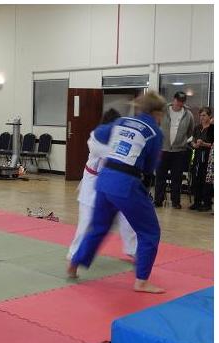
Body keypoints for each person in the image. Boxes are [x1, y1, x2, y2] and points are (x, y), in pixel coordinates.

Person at [68, 91, 167, 294]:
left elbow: (98, 134)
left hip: (104, 181)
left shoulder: (121, 122)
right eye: (162, 114)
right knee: (150, 231)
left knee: (99, 226)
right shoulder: (155, 132)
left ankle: (75, 263)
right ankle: (141, 281)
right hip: (126, 184)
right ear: (157, 113)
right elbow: (149, 168)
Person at [67, 109, 136, 260]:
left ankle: (133, 249)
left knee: (126, 216)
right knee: (86, 220)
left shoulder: (118, 139)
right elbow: (113, 154)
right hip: (92, 182)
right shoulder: (95, 137)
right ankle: (74, 253)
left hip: (112, 182)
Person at [154, 91, 195, 209]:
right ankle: (158, 200)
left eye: (182, 101)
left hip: (179, 151)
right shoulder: (163, 111)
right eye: (178, 101)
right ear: (174, 99)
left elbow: (190, 131)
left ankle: (175, 202)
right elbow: (156, 126)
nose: (179, 103)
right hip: (163, 149)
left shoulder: (188, 115)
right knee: (160, 176)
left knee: (176, 178)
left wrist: (183, 141)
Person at [190, 107, 214, 211]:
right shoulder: (197, 127)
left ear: (209, 116)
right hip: (198, 155)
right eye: (200, 115)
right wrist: (194, 144)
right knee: (196, 178)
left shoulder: (212, 128)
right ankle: (197, 201)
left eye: (204, 115)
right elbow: (191, 140)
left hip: (209, 157)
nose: (202, 117)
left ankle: (207, 203)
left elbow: (213, 144)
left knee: (206, 180)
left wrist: (204, 144)